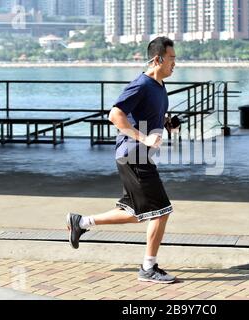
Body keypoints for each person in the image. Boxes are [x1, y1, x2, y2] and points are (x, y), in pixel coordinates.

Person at [66, 37, 178, 284]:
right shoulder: (141, 84)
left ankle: (81, 222)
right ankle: (148, 268)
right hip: (134, 154)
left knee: (136, 212)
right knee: (161, 211)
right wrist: (144, 138)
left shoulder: (159, 87)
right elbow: (115, 115)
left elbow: (151, 114)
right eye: (171, 59)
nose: (174, 64)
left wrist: (168, 123)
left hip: (138, 155)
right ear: (157, 59)